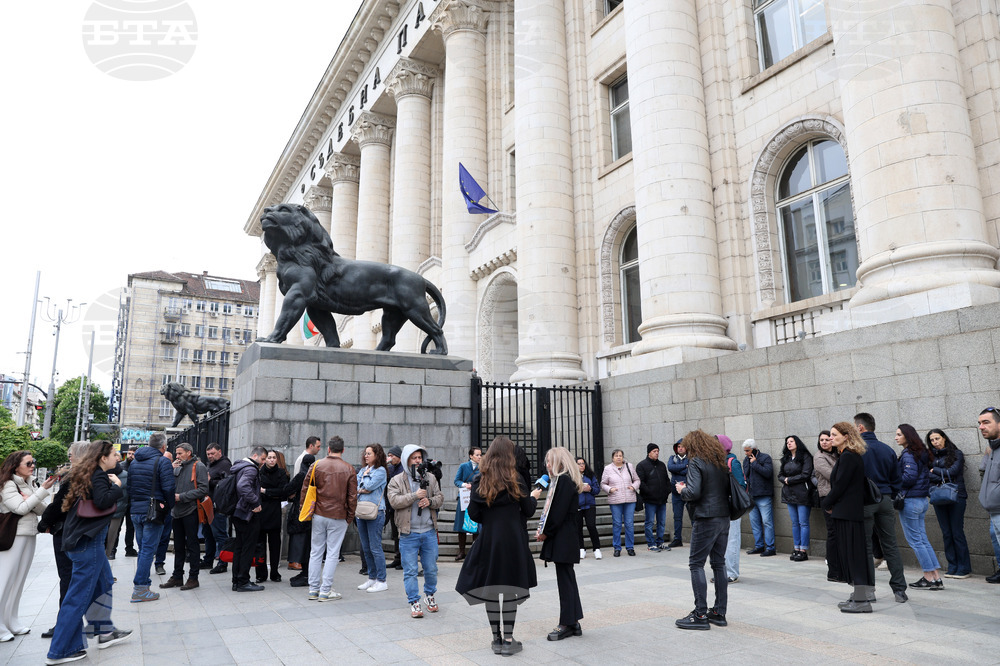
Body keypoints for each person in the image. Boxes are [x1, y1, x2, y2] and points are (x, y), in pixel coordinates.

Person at [46, 440, 132, 664]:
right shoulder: (99, 476)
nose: (117, 458)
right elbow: (103, 501)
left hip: (84, 542)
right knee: (77, 598)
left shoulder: (88, 472)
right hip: (88, 544)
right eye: (114, 454)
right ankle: (60, 650)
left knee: (103, 583)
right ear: (103, 457)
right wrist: (117, 488)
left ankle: (104, 632)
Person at [455, 436, 537, 656]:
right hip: (513, 540)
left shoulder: (481, 479)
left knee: (491, 589)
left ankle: (496, 639)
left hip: (489, 539)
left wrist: (490, 516)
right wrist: (534, 497)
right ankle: (509, 640)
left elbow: (473, 514)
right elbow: (528, 511)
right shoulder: (516, 477)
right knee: (510, 588)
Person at [674, 430, 731, 630]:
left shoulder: (697, 462)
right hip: (724, 517)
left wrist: (682, 490)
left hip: (706, 518)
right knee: (719, 563)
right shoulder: (720, 463)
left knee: (696, 564)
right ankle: (719, 612)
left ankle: (700, 614)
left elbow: (694, 492)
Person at [0, 450, 55, 642]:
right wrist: (39, 493)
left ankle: (11, 620)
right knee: (5, 580)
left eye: (34, 462)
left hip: (29, 533)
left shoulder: (27, 483)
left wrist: (35, 494)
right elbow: (20, 508)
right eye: (29, 463)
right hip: (13, 536)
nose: (32, 466)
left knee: (19, 580)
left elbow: (41, 509)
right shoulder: (8, 484)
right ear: (16, 466)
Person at [37, 442, 91, 639]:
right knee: (75, 578)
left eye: (71, 454)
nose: (69, 458)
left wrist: (43, 523)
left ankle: (65, 623)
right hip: (79, 531)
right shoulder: (92, 474)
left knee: (67, 578)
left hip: (66, 531)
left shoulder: (75, 476)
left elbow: (60, 503)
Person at [855, 412, 908, 603]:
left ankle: (869, 590)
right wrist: (889, 494)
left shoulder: (856, 450)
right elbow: (897, 480)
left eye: (855, 427)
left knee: (865, 547)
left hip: (865, 501)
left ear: (860, 428)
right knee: (890, 545)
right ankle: (900, 590)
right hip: (885, 499)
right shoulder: (887, 450)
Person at [821, 422, 874, 614]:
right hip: (847, 512)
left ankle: (861, 600)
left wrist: (826, 503)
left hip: (848, 513)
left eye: (834, 435)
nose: (830, 438)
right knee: (852, 555)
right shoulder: (847, 456)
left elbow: (840, 486)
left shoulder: (849, 457)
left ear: (846, 436)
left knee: (854, 556)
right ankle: (859, 595)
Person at [388, 444, 444, 619]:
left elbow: (440, 497)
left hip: (428, 531)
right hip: (408, 533)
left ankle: (429, 595)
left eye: (420, 458)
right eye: (414, 458)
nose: (418, 461)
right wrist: (414, 496)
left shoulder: (431, 478)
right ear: (406, 460)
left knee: (431, 568)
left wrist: (430, 501)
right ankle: (414, 601)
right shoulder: (396, 480)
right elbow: (394, 501)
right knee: (410, 570)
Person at [536, 447, 584, 641]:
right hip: (565, 536)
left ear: (560, 462)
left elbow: (558, 513)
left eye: (550, 461)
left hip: (563, 537)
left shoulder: (563, 480)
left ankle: (567, 623)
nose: (547, 465)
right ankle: (573, 621)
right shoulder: (563, 480)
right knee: (567, 578)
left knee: (565, 580)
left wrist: (545, 533)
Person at [302, 436, 357, 601]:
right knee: (332, 553)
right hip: (339, 515)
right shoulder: (349, 469)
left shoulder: (316, 465)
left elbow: (305, 490)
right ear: (343, 450)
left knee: (316, 551)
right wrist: (350, 516)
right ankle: (325, 590)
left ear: (328, 449)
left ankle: (313, 589)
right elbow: (352, 497)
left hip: (319, 513)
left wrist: (304, 511)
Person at [126, 433, 176, 602]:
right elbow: (169, 488)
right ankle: (140, 588)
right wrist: (169, 506)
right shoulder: (162, 461)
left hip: (136, 510)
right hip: (153, 511)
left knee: (143, 550)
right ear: (163, 447)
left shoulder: (135, 462)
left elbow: (130, 486)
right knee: (148, 550)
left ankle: (143, 585)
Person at [894, 424, 943, 590]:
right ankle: (936, 577)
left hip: (911, 501)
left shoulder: (908, 454)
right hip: (921, 500)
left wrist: (895, 480)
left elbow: (908, 477)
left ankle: (929, 577)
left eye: (899, 434)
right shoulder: (921, 452)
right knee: (922, 539)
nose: (896, 437)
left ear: (908, 436)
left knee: (916, 541)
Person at [159, 443, 209, 591]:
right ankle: (177, 576)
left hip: (191, 510)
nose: (177, 456)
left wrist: (182, 497)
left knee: (192, 545)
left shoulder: (198, 466)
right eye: (176, 453)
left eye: (180, 453)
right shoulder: (177, 466)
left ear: (189, 452)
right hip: (176, 511)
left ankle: (193, 578)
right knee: (179, 546)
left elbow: (203, 489)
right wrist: (170, 469)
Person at [926, 428, 970, 579]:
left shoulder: (956, 453)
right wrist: (938, 474)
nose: (935, 442)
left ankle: (964, 568)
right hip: (938, 498)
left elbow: (953, 472)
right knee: (946, 533)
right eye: (932, 440)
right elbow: (927, 476)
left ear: (944, 438)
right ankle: (952, 566)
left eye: (937, 438)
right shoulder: (930, 457)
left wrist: (935, 471)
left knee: (957, 532)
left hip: (957, 497)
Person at [230, 446, 267, 592]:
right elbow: (243, 486)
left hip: (238, 512)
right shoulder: (251, 469)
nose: (263, 462)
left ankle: (237, 580)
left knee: (239, 546)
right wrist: (255, 502)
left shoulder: (239, 466)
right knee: (247, 547)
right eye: (263, 459)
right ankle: (243, 581)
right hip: (247, 513)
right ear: (256, 456)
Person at [356, 444, 389, 593]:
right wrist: (363, 482)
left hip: (376, 511)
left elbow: (368, 486)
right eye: (365, 453)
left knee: (375, 547)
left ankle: (382, 580)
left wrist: (363, 482)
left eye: (369, 453)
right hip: (361, 510)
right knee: (366, 547)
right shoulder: (363, 470)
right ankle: (372, 577)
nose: (366, 456)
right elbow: (354, 486)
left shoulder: (381, 471)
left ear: (377, 455)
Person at [778, 435, 814, 561]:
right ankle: (796, 548)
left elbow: (806, 474)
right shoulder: (786, 458)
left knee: (803, 522)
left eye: (791, 441)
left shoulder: (805, 457)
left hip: (802, 493)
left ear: (797, 443)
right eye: (787, 442)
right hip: (789, 494)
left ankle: (803, 550)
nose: (789, 444)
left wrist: (789, 480)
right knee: (794, 523)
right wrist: (785, 480)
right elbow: (780, 475)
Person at [256, 450, 289, 584]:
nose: (271, 460)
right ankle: (261, 573)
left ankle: (274, 572)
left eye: (274, 458)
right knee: (260, 545)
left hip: (274, 512)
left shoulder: (281, 473)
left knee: (275, 544)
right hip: (261, 511)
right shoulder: (259, 472)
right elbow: (256, 491)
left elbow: (283, 492)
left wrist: (265, 491)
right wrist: (271, 493)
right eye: (269, 457)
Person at [813, 430, 842, 582]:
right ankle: (833, 571)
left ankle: (840, 567)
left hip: (840, 497)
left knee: (839, 533)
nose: (824, 442)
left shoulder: (837, 454)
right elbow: (832, 475)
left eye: (827, 439)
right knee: (833, 533)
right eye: (821, 440)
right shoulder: (819, 457)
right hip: (828, 497)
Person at [601, 449, 640, 556]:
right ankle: (617, 548)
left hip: (630, 499)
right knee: (617, 524)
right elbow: (603, 483)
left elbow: (637, 480)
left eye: (620, 455)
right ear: (612, 458)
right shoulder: (608, 469)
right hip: (615, 499)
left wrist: (633, 487)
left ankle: (630, 547)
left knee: (629, 524)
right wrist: (610, 489)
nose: (619, 457)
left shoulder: (629, 466)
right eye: (616, 456)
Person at [718, 435, 745, 584]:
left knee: (732, 540)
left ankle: (731, 573)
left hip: (731, 507)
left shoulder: (732, 462)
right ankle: (721, 572)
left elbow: (741, 485)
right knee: (721, 541)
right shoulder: (715, 462)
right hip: (719, 508)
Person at [286, 454, 316, 587]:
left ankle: (305, 574)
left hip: (300, 514)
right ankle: (306, 572)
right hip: (313, 513)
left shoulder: (301, 475)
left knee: (301, 544)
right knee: (309, 545)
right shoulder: (316, 475)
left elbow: (288, 489)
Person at [742, 439, 775, 557]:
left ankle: (771, 548)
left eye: (748, 450)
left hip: (763, 495)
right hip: (751, 495)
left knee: (767, 522)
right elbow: (745, 474)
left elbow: (768, 473)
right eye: (745, 451)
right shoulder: (746, 460)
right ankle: (759, 546)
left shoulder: (765, 458)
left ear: (754, 449)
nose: (746, 453)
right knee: (755, 522)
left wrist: (755, 463)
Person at [636, 442, 671, 552]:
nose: (657, 453)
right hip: (650, 499)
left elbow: (666, 480)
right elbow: (640, 482)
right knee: (650, 522)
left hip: (662, 499)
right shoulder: (642, 465)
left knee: (661, 522)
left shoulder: (661, 465)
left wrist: (667, 491)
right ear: (649, 453)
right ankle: (651, 543)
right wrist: (649, 492)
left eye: (657, 451)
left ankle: (660, 542)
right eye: (654, 451)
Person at [978, 407, 1000, 581]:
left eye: (986, 422)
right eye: (979, 423)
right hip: (994, 510)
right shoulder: (993, 448)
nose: (981, 427)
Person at [205, 443, 232, 574]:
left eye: (212, 454)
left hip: (219, 506)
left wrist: (210, 481)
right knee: (208, 534)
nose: (210, 456)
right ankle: (208, 559)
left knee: (220, 535)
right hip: (208, 505)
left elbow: (227, 484)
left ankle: (222, 563)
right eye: (208, 454)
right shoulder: (211, 464)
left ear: (219, 452)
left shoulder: (225, 464)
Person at [453, 446, 482, 561]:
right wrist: (465, 485)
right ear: (471, 456)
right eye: (477, 455)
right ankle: (462, 551)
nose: (480, 457)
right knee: (461, 525)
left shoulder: (483, 467)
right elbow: (457, 480)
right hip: (464, 497)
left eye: (480, 455)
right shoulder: (463, 466)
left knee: (475, 523)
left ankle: (475, 551)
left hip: (476, 497)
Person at [153, 449, 174, 577]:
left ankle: (159, 563)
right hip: (156, 507)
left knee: (165, 537)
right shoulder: (155, 468)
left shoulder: (176, 470)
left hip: (167, 508)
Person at [576, 457, 602, 559]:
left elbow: (597, 489)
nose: (582, 465)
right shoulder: (572, 476)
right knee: (578, 528)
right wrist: (578, 488)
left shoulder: (591, 475)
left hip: (590, 505)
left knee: (591, 526)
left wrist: (590, 489)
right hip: (578, 505)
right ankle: (581, 549)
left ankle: (596, 549)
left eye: (583, 463)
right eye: (579, 464)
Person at [104, 449, 128, 559]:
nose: (117, 458)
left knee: (112, 536)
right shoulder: (101, 474)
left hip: (117, 510)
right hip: (102, 511)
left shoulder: (125, 475)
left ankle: (111, 552)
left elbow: (126, 493)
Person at [385, 446, 405, 570]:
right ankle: (397, 558)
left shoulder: (403, 469)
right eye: (389, 455)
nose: (390, 458)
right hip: (392, 506)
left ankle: (403, 559)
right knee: (395, 535)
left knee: (401, 534)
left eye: (393, 456)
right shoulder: (390, 468)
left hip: (401, 506)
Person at [667, 440, 688, 548]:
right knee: (677, 517)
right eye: (678, 446)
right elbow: (670, 467)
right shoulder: (672, 458)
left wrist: (677, 470)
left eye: (682, 447)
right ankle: (677, 539)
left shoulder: (691, 458)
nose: (680, 448)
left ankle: (697, 539)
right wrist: (685, 467)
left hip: (688, 491)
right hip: (676, 493)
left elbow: (688, 472)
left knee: (694, 517)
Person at [122, 446, 138, 558]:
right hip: (121, 500)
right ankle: (112, 550)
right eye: (129, 453)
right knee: (116, 527)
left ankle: (129, 548)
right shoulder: (120, 466)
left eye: (133, 454)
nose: (130, 456)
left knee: (130, 527)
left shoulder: (137, 466)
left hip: (132, 501)